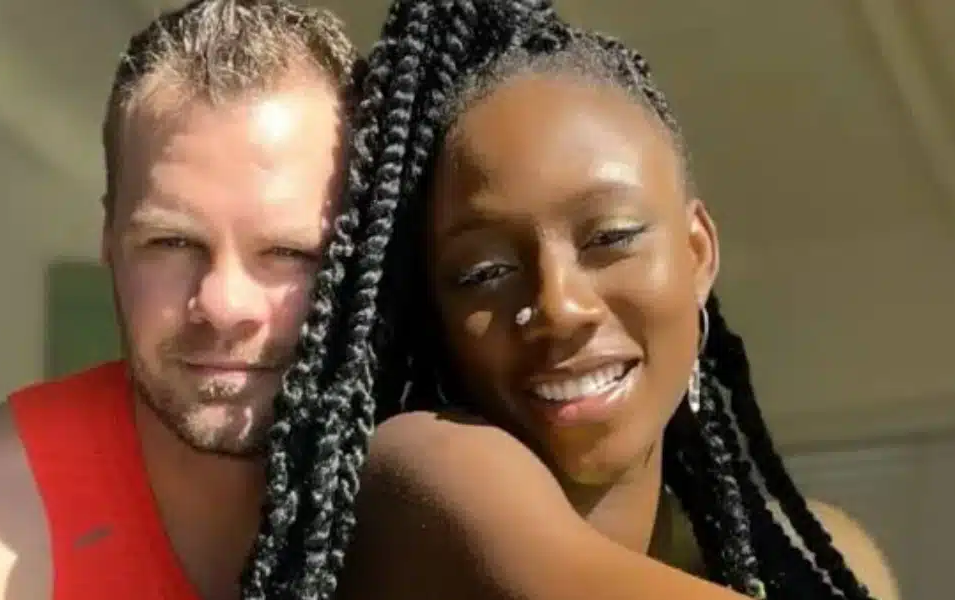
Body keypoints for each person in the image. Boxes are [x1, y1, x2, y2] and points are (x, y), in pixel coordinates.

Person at [326, 1, 903, 599]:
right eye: (485, 271)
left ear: (697, 253)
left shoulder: (822, 556)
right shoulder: (420, 481)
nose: (559, 307)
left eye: (610, 238)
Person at [0, 1, 362, 599]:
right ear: (109, 238)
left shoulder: (428, 509)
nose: (223, 305)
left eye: (288, 252)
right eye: (172, 242)